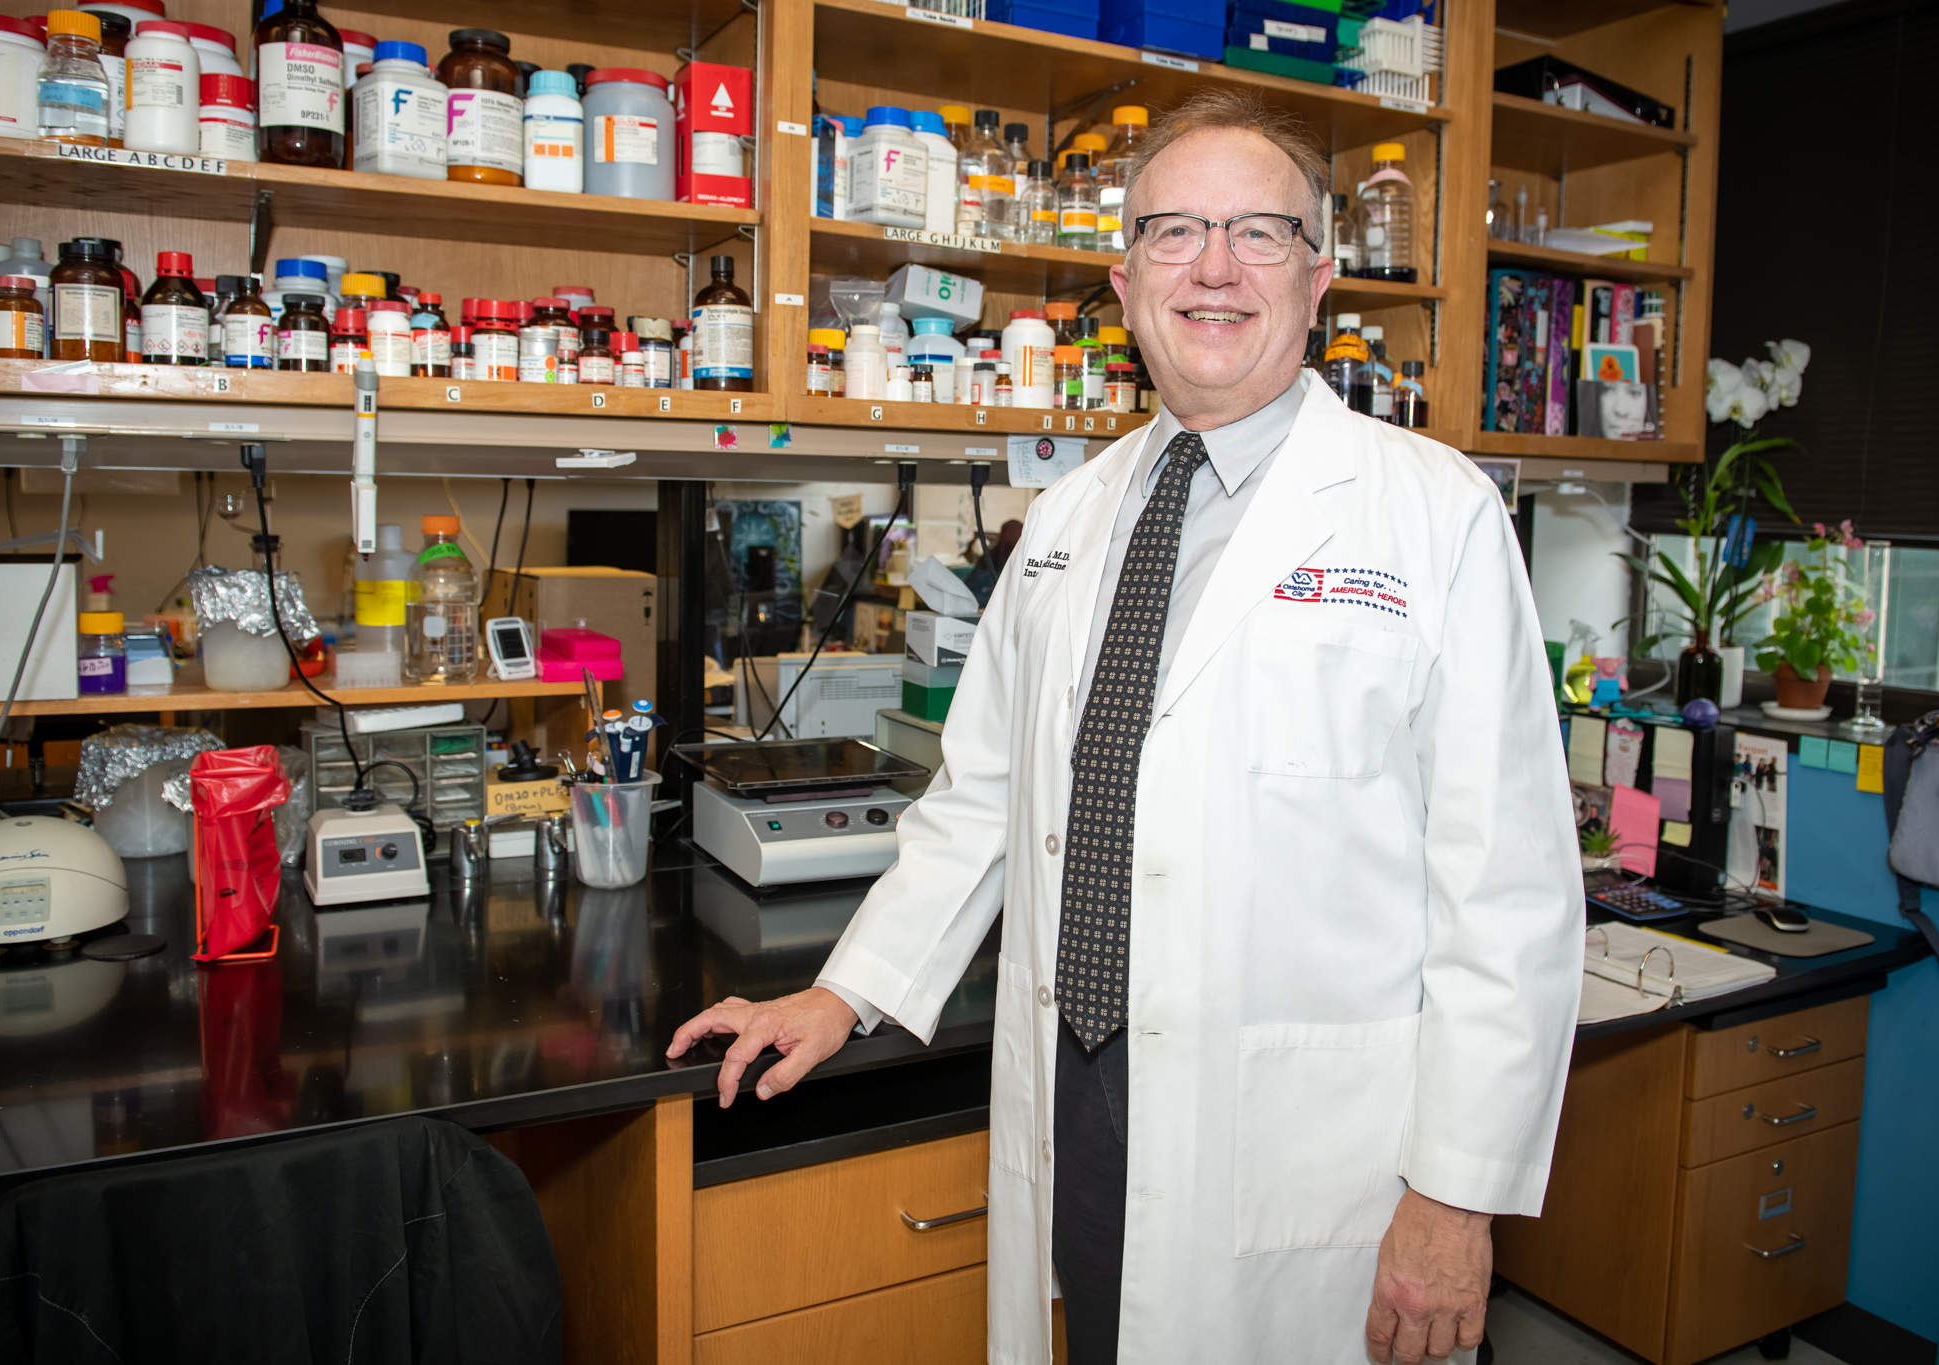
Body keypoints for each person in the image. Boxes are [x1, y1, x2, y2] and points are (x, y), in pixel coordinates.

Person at [668, 89, 1582, 1365]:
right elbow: (981, 798)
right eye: (1173, 233)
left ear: (1318, 279)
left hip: (1311, 1137)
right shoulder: (1068, 518)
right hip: (1079, 1088)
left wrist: (1452, 1198)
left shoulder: (1432, 515)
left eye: (1258, 234)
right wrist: (846, 993)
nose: (1213, 269)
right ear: (1123, 278)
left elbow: (1511, 898)